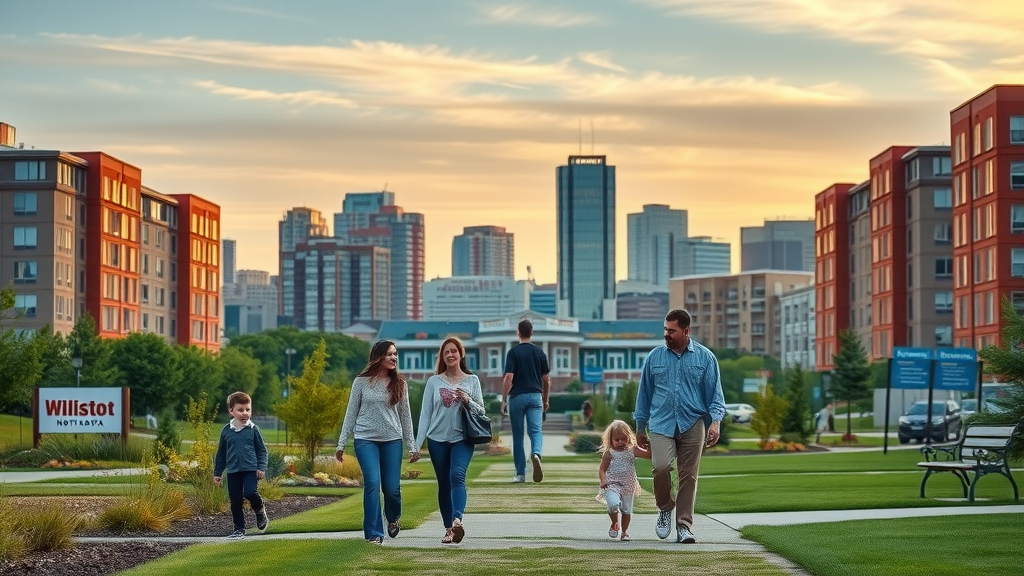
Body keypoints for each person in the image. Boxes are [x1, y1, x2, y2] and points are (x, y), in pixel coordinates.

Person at [634, 308, 726, 544]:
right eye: (665, 329)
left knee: (689, 476)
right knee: (661, 467)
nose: (666, 334)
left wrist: (715, 422)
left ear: (686, 331)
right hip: (661, 423)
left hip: (693, 422)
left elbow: (715, 395)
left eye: (671, 331)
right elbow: (644, 394)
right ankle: (665, 507)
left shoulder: (705, 358)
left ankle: (684, 526)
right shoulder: (654, 357)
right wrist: (639, 427)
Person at [336, 340, 419, 545]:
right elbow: (351, 413)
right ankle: (374, 533)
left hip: (392, 440)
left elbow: (405, 416)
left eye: (395, 354)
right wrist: (341, 443)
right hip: (365, 440)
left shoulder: (400, 384)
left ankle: (392, 518)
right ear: (378, 357)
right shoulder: (361, 383)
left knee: (391, 488)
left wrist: (412, 446)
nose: (394, 358)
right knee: (372, 483)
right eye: (389, 354)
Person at [416, 337, 485, 544]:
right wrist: (416, 445)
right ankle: (448, 529)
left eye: (454, 351)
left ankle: (457, 521)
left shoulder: (472, 380)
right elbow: (425, 415)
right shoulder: (433, 382)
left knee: (457, 476)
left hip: (463, 438)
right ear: (442, 357)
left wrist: (468, 400)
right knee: (444, 484)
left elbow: (482, 411)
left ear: (461, 354)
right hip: (437, 439)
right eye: (446, 352)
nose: (450, 354)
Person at [213, 391, 270, 540]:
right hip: (233, 471)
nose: (245, 413)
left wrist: (261, 467)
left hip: (251, 469)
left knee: (250, 493)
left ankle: (259, 509)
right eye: (240, 410)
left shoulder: (253, 430)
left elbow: (262, 451)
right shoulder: (226, 431)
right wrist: (218, 473)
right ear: (231, 411)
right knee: (235, 500)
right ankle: (239, 529)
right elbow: (221, 454)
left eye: (248, 409)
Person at [500, 317, 551, 483]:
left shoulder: (513, 353)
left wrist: (504, 400)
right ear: (531, 332)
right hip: (536, 397)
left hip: (517, 397)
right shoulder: (540, 353)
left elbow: (509, 377)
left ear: (518, 332)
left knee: (518, 436)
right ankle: (536, 454)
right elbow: (547, 380)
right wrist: (545, 400)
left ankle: (520, 474)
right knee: (536, 431)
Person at [597, 419, 651, 542]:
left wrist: (649, 444)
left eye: (623, 439)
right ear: (610, 439)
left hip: (628, 484)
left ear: (628, 437)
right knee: (613, 504)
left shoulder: (632, 450)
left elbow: (649, 455)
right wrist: (603, 480)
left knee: (627, 510)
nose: (620, 442)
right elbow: (602, 469)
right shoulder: (609, 453)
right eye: (617, 440)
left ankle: (624, 532)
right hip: (611, 484)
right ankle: (615, 522)